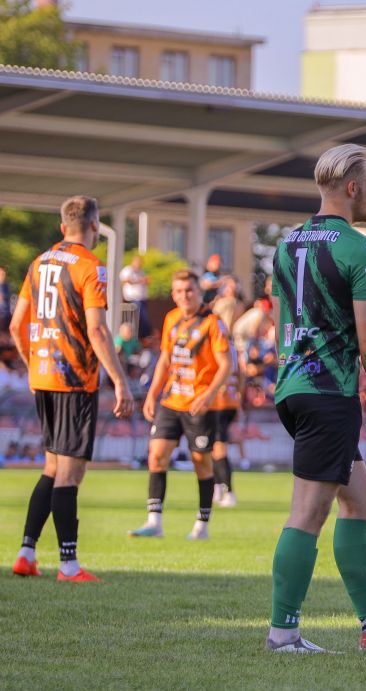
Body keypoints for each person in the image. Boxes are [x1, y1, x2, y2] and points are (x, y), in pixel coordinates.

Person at [264, 142, 366, 653]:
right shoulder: (360, 249)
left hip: (293, 387)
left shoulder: (285, 245)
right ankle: (283, 633)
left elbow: (279, 317)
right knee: (308, 512)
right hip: (328, 392)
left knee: (358, 495)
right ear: (353, 187)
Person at [9, 194, 134, 581]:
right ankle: (68, 564)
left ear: (63, 227)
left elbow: (15, 325)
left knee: (52, 466)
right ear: (95, 225)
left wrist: (33, 365)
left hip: (44, 377)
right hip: (75, 379)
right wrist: (120, 381)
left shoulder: (38, 263)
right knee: (70, 473)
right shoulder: (90, 266)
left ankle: (26, 553)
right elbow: (97, 330)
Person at [127, 270, 232, 540]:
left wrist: (208, 395)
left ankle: (202, 524)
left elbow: (226, 364)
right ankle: (154, 522)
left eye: (189, 290)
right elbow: (165, 360)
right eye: (179, 291)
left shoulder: (213, 323)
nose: (185, 295)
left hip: (199, 405)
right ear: (173, 295)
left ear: (199, 292)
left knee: (201, 463)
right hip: (171, 400)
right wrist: (152, 394)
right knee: (156, 456)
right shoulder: (171, 318)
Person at [210, 336, 246, 508]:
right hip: (230, 401)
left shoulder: (216, 342)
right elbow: (241, 374)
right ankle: (217, 487)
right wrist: (238, 396)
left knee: (218, 448)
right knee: (212, 446)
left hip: (219, 401)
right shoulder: (232, 347)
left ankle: (228, 492)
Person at [119, 255, 152, 339]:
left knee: (143, 318)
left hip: (142, 299)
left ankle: (144, 336)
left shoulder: (141, 272)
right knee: (142, 317)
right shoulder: (128, 270)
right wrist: (140, 280)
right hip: (132, 299)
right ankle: (145, 335)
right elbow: (126, 280)